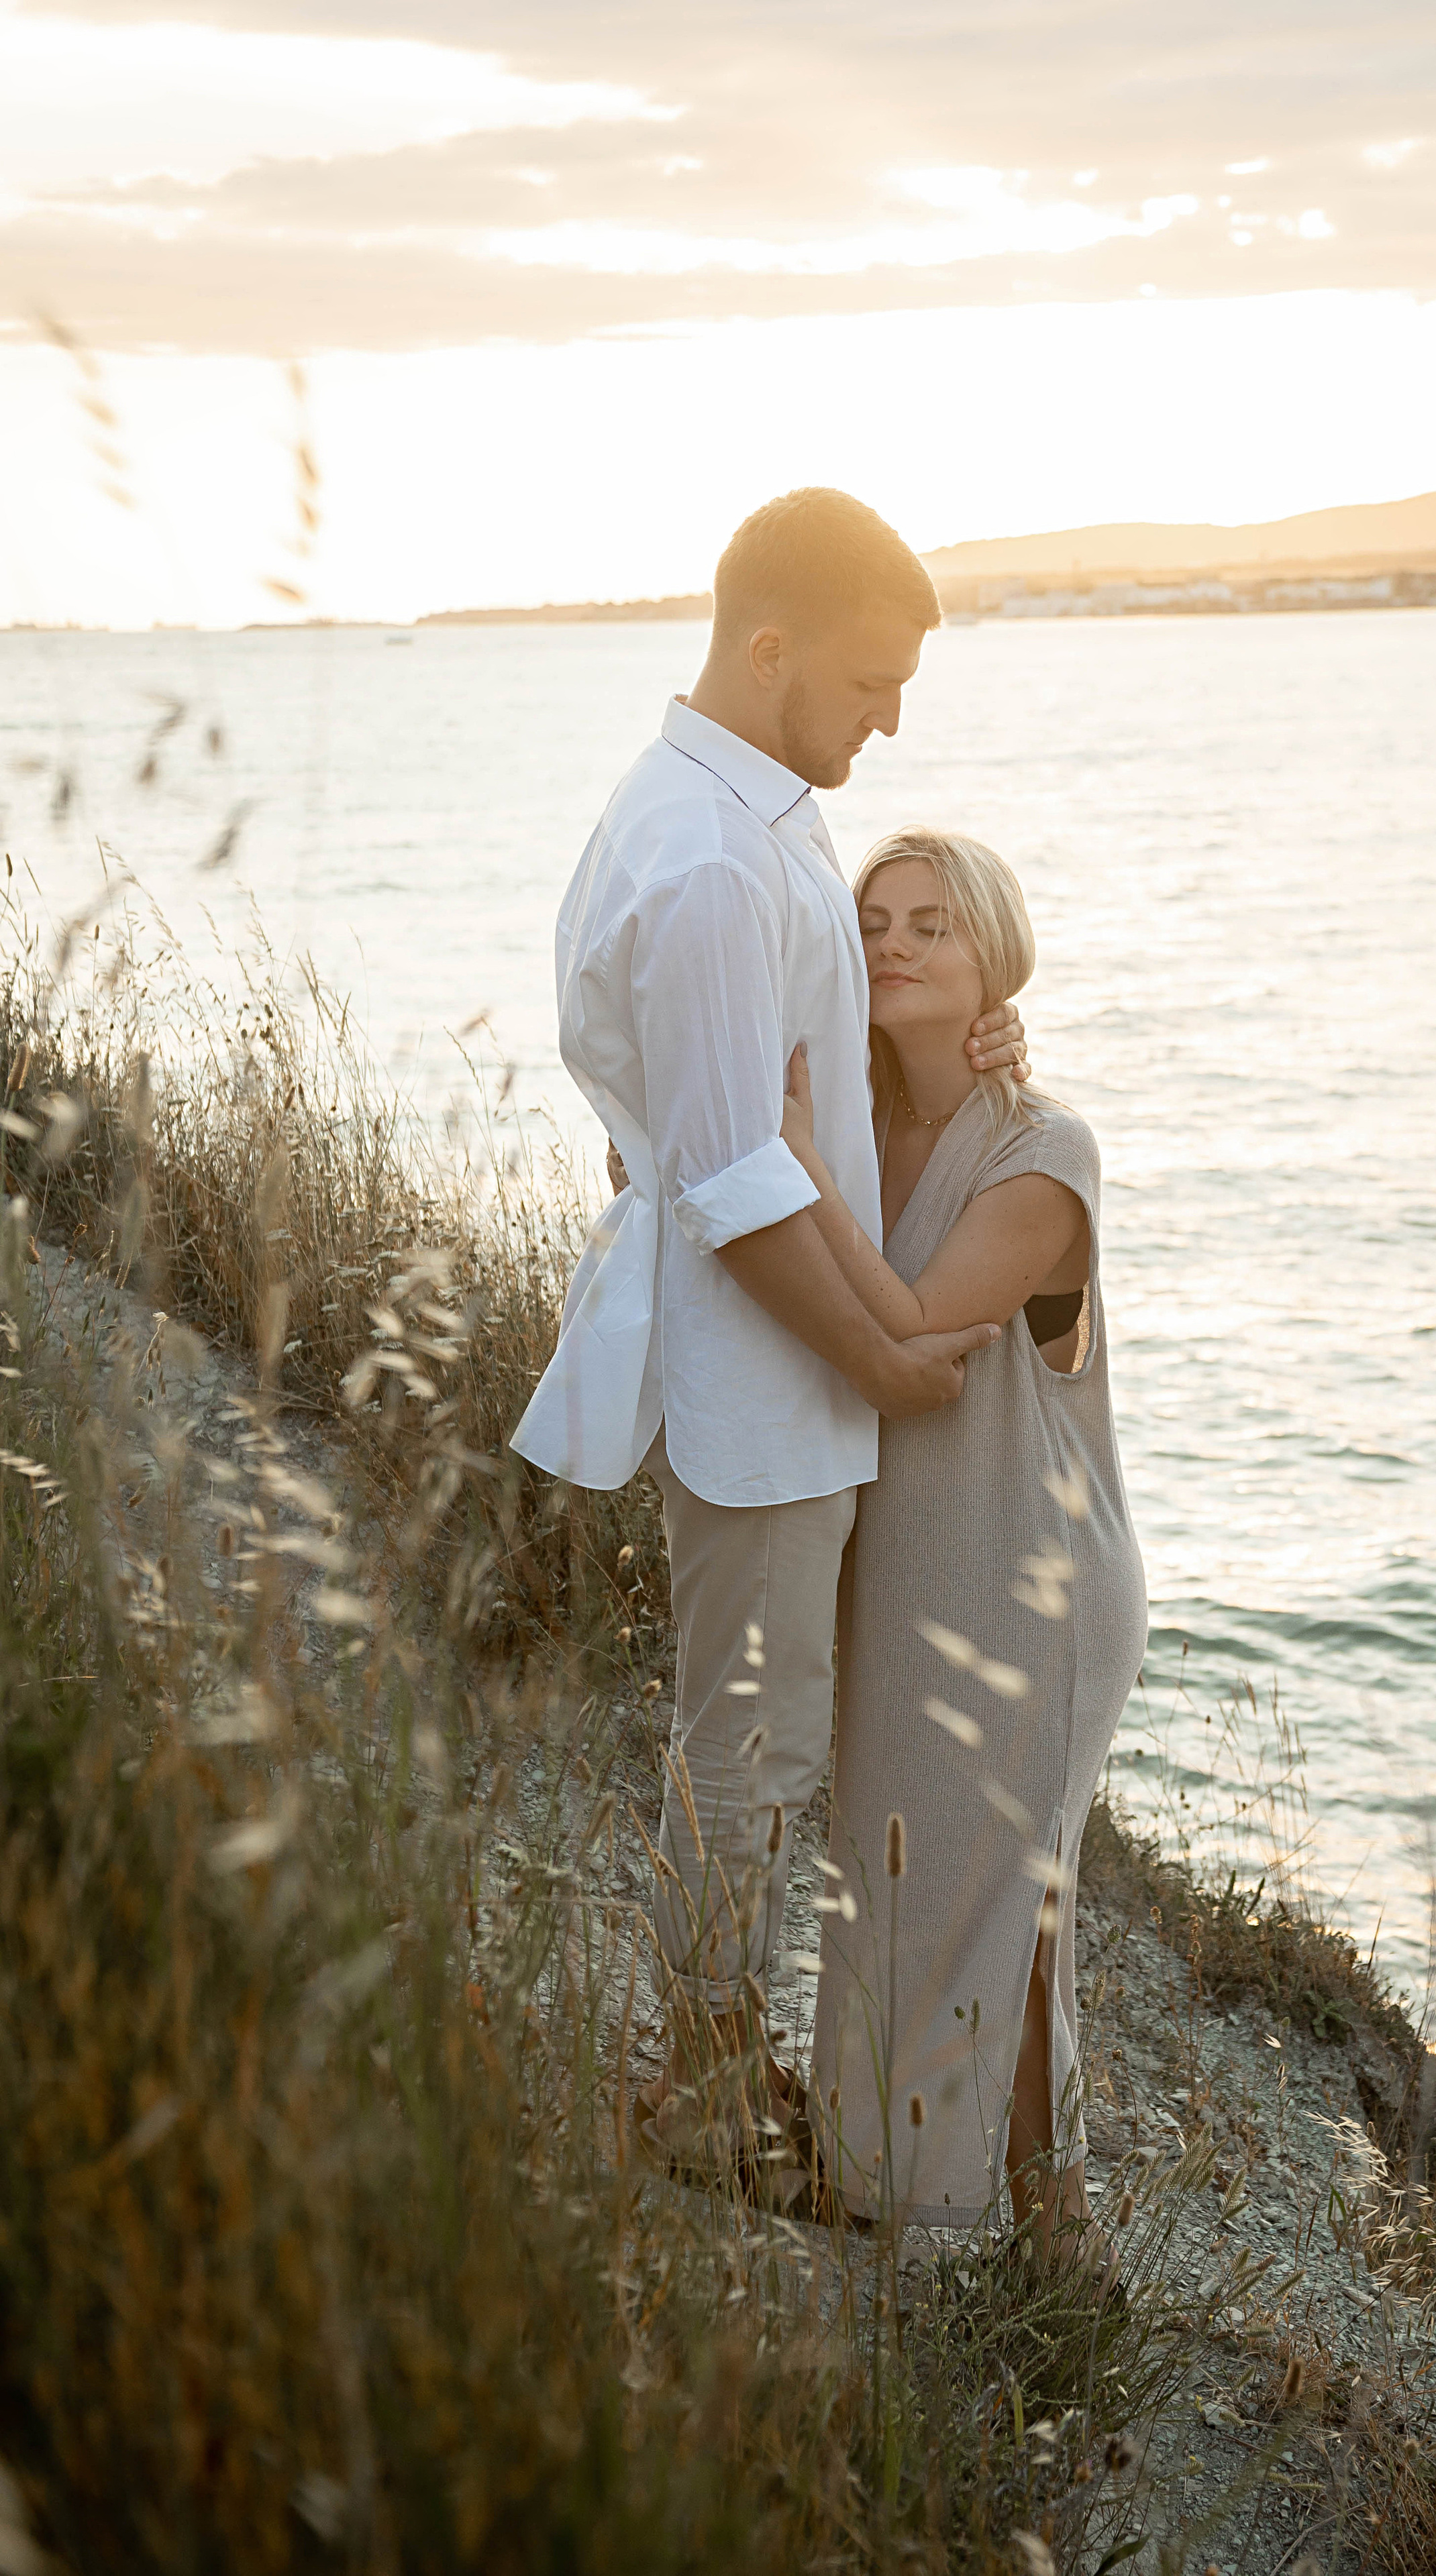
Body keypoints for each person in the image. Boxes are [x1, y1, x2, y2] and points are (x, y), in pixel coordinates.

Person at [510, 491, 1029, 2161]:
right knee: (746, 1747)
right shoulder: (709, 855)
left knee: (765, 1732)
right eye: (873, 681)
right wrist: (880, 1359)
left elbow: (774, 1088)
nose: (894, 716)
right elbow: (735, 1178)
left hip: (791, 1366)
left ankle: (719, 2062)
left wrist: (972, 1049)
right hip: (764, 1375)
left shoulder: (756, 813)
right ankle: (702, 2092)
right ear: (770, 648)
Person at [778, 829, 1148, 2274]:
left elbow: (916, 1328)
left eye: (932, 925)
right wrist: (785, 1151)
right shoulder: (858, 1127)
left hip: (1032, 1577)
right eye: (871, 919)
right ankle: (1044, 2243)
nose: (893, 942)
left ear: (994, 957)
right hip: (905, 1569)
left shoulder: (1043, 1154)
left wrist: (796, 1172)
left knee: (993, 1896)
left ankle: (927, 2226)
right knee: (950, 1895)